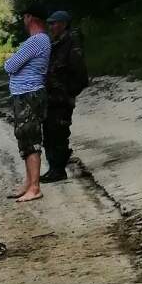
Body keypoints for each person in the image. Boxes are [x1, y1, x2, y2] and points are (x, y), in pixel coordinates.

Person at [3, 6, 50, 203]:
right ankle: (29, 183)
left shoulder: (36, 40)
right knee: (24, 138)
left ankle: (35, 187)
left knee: (30, 139)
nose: (23, 20)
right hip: (25, 94)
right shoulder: (40, 40)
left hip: (29, 95)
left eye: (24, 17)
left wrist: (10, 60)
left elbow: (10, 66)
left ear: (29, 18)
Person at [41, 10, 89, 182]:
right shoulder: (55, 44)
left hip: (61, 100)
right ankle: (54, 168)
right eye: (50, 23)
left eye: (54, 23)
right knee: (48, 133)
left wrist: (68, 93)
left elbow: (81, 76)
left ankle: (58, 170)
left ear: (63, 24)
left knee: (59, 133)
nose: (51, 27)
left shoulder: (71, 43)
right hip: (50, 98)